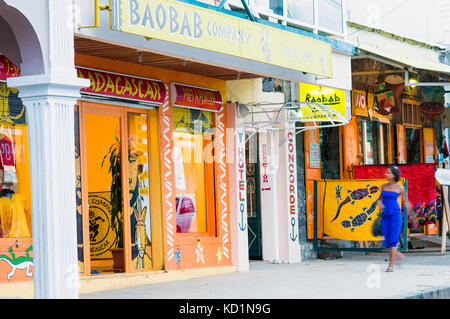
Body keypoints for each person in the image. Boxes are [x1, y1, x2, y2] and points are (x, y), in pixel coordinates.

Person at [377, 166, 413, 272]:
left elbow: (405, 202)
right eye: (386, 172)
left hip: (395, 215)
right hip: (385, 215)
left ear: (394, 175)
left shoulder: (400, 188)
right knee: (387, 240)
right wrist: (380, 204)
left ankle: (391, 265)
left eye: (388, 173)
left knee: (392, 240)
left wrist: (412, 214)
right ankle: (398, 255)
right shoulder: (383, 186)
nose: (386, 174)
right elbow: (379, 199)